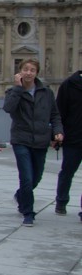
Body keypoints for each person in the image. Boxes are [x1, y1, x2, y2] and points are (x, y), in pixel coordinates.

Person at [4, 58, 64, 227]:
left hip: (40, 140)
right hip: (21, 139)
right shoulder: (13, 91)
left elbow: (55, 115)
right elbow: (8, 108)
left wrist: (58, 131)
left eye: (32, 70)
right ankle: (28, 213)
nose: (28, 73)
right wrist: (18, 88)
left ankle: (20, 196)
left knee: (36, 177)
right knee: (26, 177)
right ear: (20, 71)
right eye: (25, 69)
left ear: (37, 73)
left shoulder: (46, 92)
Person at [55, 67, 82, 219]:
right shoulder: (69, 84)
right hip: (73, 137)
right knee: (68, 171)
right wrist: (57, 133)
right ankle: (61, 201)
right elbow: (59, 112)